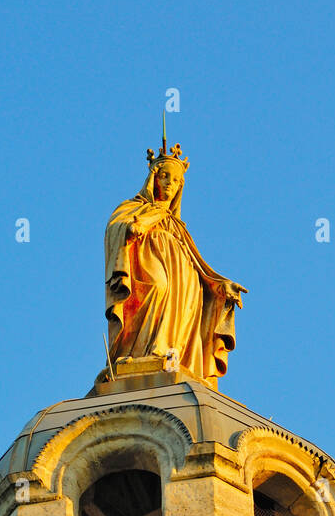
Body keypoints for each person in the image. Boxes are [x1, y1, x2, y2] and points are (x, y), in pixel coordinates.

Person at [104, 140, 247, 384]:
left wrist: (221, 286)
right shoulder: (134, 208)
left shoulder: (177, 226)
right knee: (158, 286)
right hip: (147, 264)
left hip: (184, 283)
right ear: (154, 179)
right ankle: (138, 353)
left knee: (183, 306)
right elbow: (115, 228)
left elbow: (200, 267)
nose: (170, 184)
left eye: (176, 181)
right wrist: (133, 227)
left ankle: (166, 351)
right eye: (165, 177)